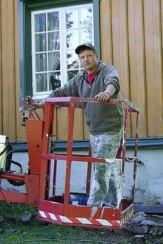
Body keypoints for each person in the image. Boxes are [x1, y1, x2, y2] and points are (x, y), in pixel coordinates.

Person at [26, 43, 124, 208]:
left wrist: (107, 93)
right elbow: (60, 93)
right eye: (82, 57)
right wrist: (38, 105)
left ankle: (93, 208)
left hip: (111, 128)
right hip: (94, 130)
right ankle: (113, 204)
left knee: (100, 169)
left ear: (96, 56)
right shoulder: (80, 78)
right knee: (109, 166)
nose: (86, 60)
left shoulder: (107, 70)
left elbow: (113, 82)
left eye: (89, 56)